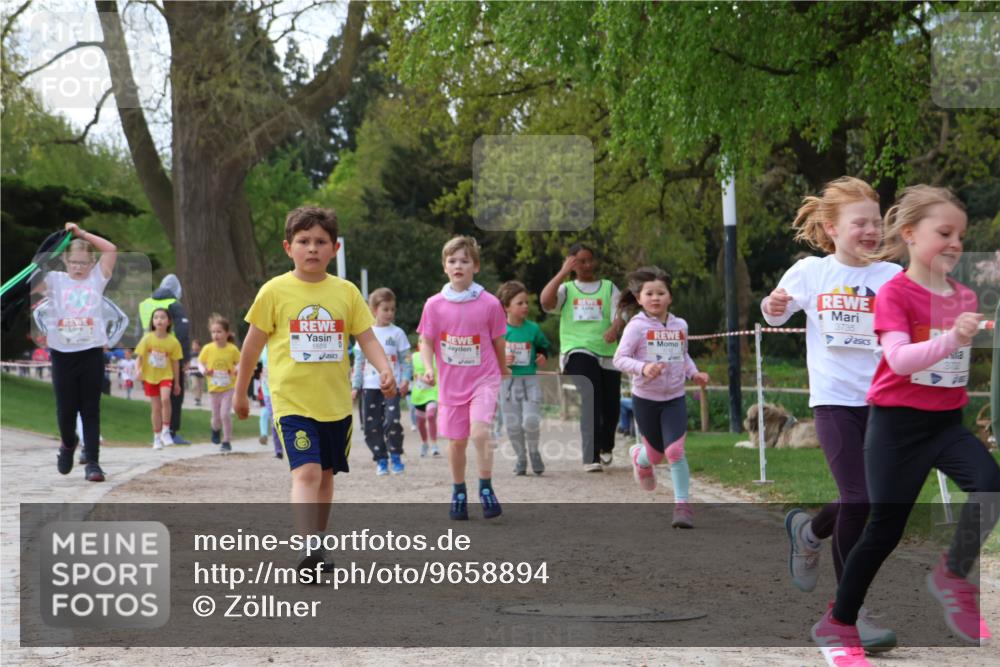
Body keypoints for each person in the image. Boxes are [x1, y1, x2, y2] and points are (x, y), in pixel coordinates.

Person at [811, 186, 1000, 667]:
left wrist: (963, 334)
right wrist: (952, 338)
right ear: (911, 235)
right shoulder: (896, 291)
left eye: (961, 234)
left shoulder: (964, 295)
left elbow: (953, 361)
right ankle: (838, 623)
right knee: (883, 530)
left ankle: (952, 576)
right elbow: (897, 358)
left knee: (991, 485)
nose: (955, 242)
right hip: (896, 427)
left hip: (946, 423)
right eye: (944, 233)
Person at [760, 177, 902, 653]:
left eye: (875, 222)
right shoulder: (811, 273)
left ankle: (809, 530)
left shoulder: (890, 277)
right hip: (835, 400)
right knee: (859, 499)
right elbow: (776, 314)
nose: (870, 230)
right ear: (832, 228)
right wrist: (774, 303)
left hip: (883, 402)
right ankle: (849, 611)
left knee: (875, 500)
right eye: (858, 222)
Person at [234, 206, 396, 573]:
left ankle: (319, 544)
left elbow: (366, 338)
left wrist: (384, 368)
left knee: (324, 477)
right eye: (303, 241)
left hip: (335, 405)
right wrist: (240, 391)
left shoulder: (346, 292)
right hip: (292, 403)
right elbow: (251, 346)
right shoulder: (274, 291)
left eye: (320, 241)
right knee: (306, 473)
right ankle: (308, 548)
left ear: (334, 248)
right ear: (288, 247)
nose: (312, 248)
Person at [418, 236, 508, 520]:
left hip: (484, 378)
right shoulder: (433, 305)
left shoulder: (490, 303)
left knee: (480, 433)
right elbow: (426, 340)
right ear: (445, 267)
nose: (458, 265)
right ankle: (458, 491)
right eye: (452, 261)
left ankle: (485, 486)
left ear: (476, 266)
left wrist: (503, 369)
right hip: (450, 385)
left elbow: (499, 342)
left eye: (465, 260)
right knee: (456, 442)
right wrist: (428, 367)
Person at [612, 267, 708, 528]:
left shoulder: (680, 325)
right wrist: (643, 368)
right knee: (654, 456)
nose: (655, 298)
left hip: (674, 397)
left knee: (675, 451)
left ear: (670, 297)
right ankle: (639, 457)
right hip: (646, 398)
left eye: (661, 293)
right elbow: (619, 359)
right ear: (639, 298)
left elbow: (683, 355)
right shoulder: (636, 327)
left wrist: (694, 374)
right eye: (649, 293)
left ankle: (682, 506)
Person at [37, 222, 117, 482]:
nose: (79, 268)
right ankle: (67, 445)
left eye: (84, 263)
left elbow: (111, 249)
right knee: (66, 410)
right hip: (62, 354)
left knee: (90, 409)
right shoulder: (55, 281)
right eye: (74, 263)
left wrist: (82, 234)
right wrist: (60, 240)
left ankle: (93, 463)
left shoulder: (97, 278)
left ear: (91, 263)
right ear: (65, 261)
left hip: (91, 351)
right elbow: (35, 271)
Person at [540, 242, 625, 472]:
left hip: (607, 352)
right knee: (591, 395)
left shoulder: (608, 287)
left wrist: (614, 328)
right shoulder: (567, 289)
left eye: (590, 260)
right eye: (581, 261)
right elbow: (546, 302)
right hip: (577, 350)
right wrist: (562, 273)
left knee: (611, 407)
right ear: (572, 263)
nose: (587, 265)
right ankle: (591, 455)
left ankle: (606, 445)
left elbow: (621, 313)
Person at [351, 287, 412, 475]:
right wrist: (355, 386)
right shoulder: (365, 333)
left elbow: (406, 361)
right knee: (371, 426)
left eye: (393, 309)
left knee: (393, 421)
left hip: (391, 388)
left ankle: (395, 454)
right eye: (385, 309)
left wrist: (405, 380)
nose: (390, 313)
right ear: (374, 309)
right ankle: (381, 459)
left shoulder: (398, 334)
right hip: (370, 387)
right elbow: (359, 363)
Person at [497, 280, 550, 476]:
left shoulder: (533, 329)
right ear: (506, 307)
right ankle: (521, 457)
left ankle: (534, 452)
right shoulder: (499, 331)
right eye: (520, 303)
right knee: (512, 424)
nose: (525, 306)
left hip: (530, 380)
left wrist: (542, 355)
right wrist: (502, 358)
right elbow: (489, 355)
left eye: (526, 302)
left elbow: (543, 346)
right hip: (507, 382)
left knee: (530, 421)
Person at [137, 274, 192, 444]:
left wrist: (139, 360)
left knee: (155, 399)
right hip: (170, 356)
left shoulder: (145, 304)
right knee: (174, 395)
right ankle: (171, 432)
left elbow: (138, 332)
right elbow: (183, 332)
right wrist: (185, 358)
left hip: (148, 356)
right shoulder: (174, 305)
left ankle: (158, 433)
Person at [134, 307, 183, 450]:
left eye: (162, 317)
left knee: (165, 399)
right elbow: (139, 358)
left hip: (166, 376)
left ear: (169, 322)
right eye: (156, 317)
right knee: (155, 408)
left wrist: (177, 383)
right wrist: (138, 370)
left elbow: (176, 363)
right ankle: (156, 437)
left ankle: (166, 430)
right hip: (150, 377)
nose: (159, 320)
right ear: (152, 322)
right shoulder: (147, 339)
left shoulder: (173, 342)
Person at [198, 313, 241, 454]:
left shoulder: (232, 349)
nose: (216, 334)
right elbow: (200, 362)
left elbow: (240, 362)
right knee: (216, 417)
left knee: (225, 415)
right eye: (213, 332)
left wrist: (236, 369)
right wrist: (204, 370)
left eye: (219, 331)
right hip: (213, 388)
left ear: (227, 333)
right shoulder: (208, 349)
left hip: (228, 387)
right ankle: (215, 430)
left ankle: (227, 441)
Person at [411, 338, 440, 457]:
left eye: (425, 342)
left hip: (433, 391)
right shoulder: (414, 356)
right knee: (420, 422)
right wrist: (419, 377)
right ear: (418, 344)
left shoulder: (437, 357)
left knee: (431, 415)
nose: (423, 344)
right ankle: (424, 443)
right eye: (420, 342)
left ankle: (434, 444)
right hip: (419, 393)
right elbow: (411, 372)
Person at [258, 344, 282, 458]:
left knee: (280, 418)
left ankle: (284, 446)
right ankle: (278, 450)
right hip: (267, 388)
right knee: (274, 418)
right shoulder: (262, 348)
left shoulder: (281, 343)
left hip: (282, 387)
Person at [189, 338, 204, 406]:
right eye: (193, 345)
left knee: (200, 387)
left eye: (196, 345)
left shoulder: (202, 353)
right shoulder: (190, 354)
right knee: (195, 385)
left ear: (199, 346)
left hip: (200, 372)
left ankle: (199, 399)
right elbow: (187, 362)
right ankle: (196, 398)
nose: (195, 347)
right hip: (193, 372)